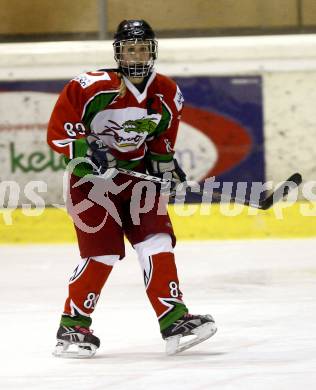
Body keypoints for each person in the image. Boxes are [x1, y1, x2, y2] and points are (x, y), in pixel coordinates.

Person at [47, 19, 217, 357]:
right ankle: (72, 327)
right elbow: (59, 133)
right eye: (129, 48)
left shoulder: (167, 93)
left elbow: (161, 144)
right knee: (103, 254)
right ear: (118, 52)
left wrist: (165, 166)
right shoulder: (89, 87)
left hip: (137, 180)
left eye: (142, 47)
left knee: (157, 241)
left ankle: (174, 320)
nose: (136, 54)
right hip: (91, 186)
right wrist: (87, 153)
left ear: (152, 50)